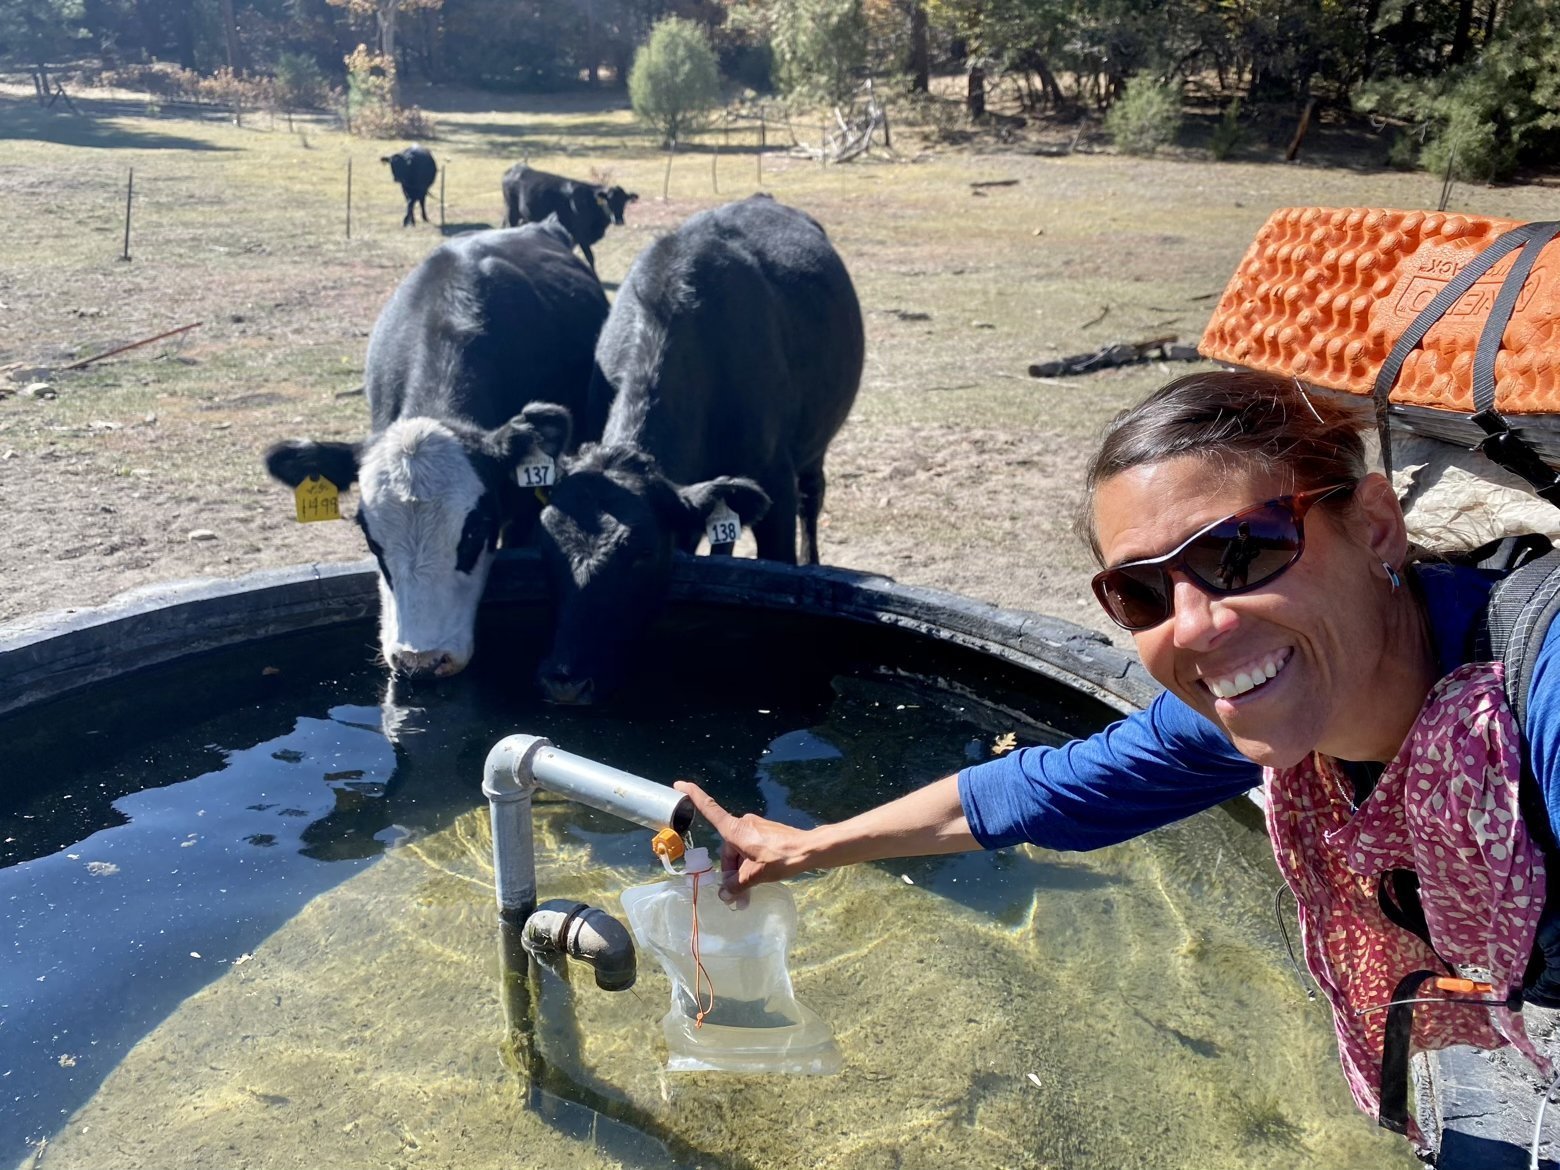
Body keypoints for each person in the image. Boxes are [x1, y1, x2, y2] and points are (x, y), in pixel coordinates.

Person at [674, 368, 1560, 1145]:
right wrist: (802, 847)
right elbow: (1029, 792)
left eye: (1242, 551)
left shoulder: (1542, 694)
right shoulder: (1258, 708)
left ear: (1374, 528)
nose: (1198, 624)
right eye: (1140, 591)